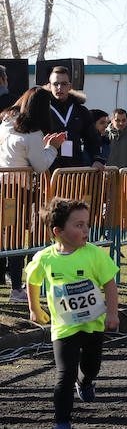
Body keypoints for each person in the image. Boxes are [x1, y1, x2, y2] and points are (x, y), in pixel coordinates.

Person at [25, 198, 119, 429]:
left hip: (93, 325)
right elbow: (32, 281)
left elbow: (109, 283)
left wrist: (112, 313)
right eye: (79, 225)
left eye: (87, 224)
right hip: (64, 327)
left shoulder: (94, 255)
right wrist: (34, 308)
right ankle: (62, 422)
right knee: (64, 373)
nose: (86, 230)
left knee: (91, 367)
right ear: (58, 232)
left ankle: (86, 382)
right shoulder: (46, 258)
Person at [0, 87, 67, 299]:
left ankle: (16, 286)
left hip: (3, 183)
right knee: (18, 236)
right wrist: (53, 147)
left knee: (9, 235)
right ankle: (17, 288)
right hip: (20, 188)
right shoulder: (32, 132)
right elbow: (40, 165)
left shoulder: (6, 121)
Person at [45, 66, 105, 171]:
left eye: (64, 84)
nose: (59, 88)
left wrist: (97, 159)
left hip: (74, 171)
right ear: (49, 86)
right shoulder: (41, 110)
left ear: (70, 86)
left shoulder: (80, 110)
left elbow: (93, 139)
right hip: (48, 172)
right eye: (56, 84)